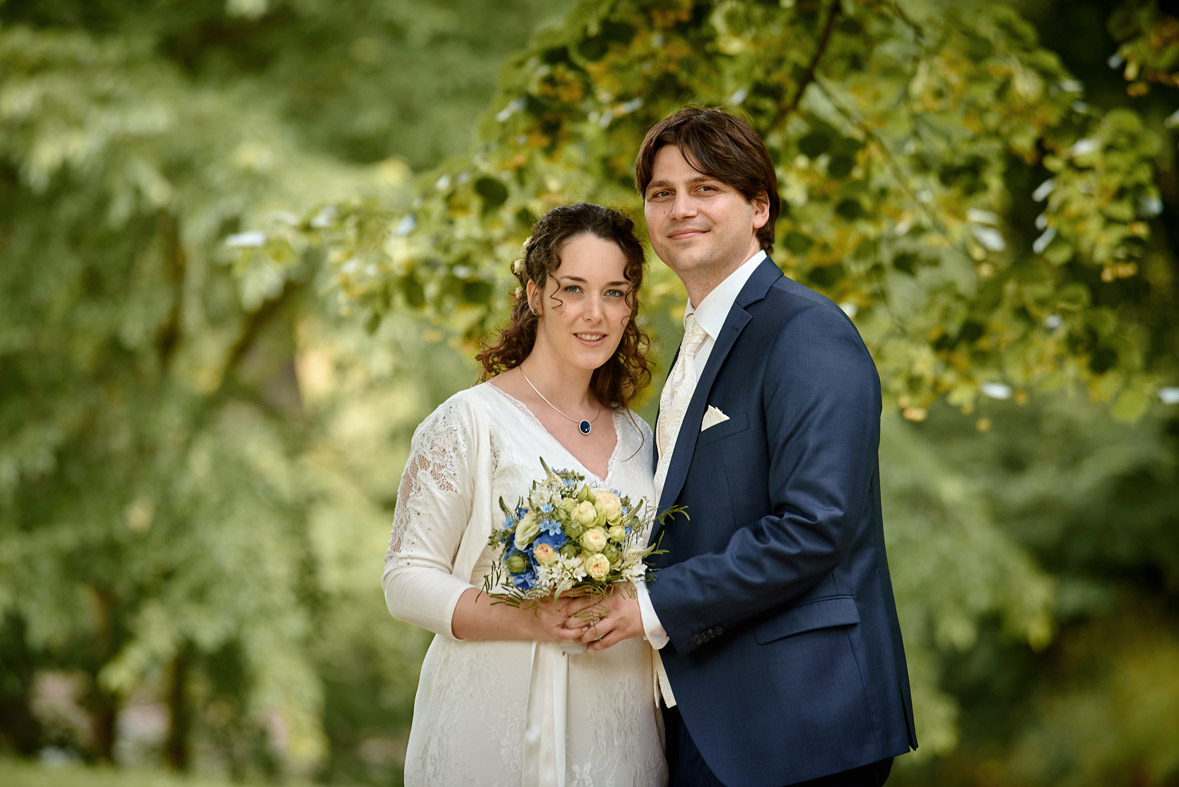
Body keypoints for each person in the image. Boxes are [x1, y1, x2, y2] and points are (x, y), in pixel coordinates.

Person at [565, 107, 918, 786]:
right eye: (661, 193)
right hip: (710, 714)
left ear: (758, 206)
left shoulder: (804, 330)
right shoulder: (700, 340)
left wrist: (647, 606)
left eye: (705, 189)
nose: (679, 208)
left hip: (799, 717)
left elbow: (813, 527)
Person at [382, 202, 668, 786]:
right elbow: (406, 579)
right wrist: (530, 619)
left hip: (620, 730)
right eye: (573, 289)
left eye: (615, 292)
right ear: (535, 294)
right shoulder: (469, 422)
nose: (595, 314)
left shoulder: (643, 438)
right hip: (493, 728)